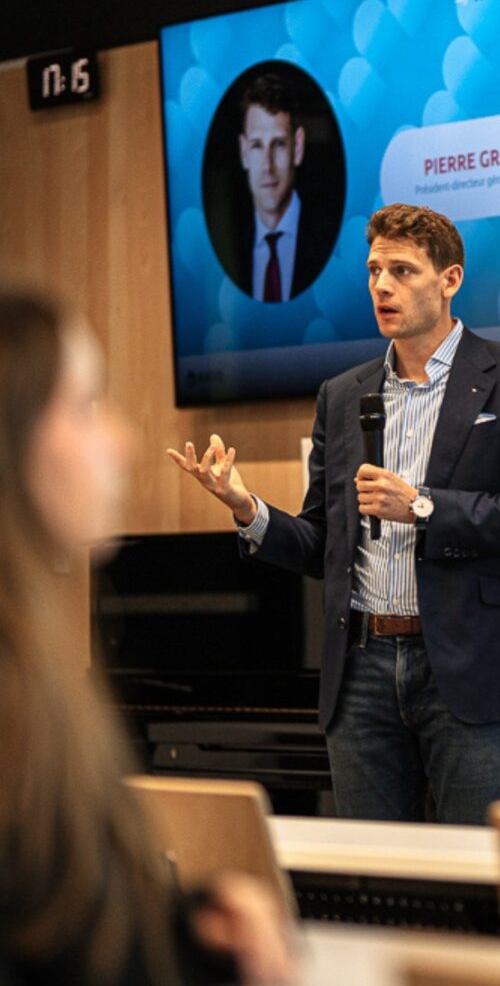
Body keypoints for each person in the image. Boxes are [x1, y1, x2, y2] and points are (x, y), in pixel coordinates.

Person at [168, 203, 500, 824]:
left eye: (403, 271)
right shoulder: (342, 394)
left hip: (464, 668)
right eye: (374, 271)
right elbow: (319, 543)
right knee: (374, 873)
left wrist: (423, 507)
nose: (382, 286)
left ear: (451, 280)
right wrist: (245, 508)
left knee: (477, 878)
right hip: (359, 670)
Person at [0, 292, 295, 985]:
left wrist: (189, 928)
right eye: (85, 407)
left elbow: (56, 920)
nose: (125, 442)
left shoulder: (31, 669)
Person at [223, 72, 329, 302]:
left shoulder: (328, 245)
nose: (267, 165)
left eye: (279, 144)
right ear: (243, 151)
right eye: (257, 146)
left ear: (297, 148)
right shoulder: (231, 254)